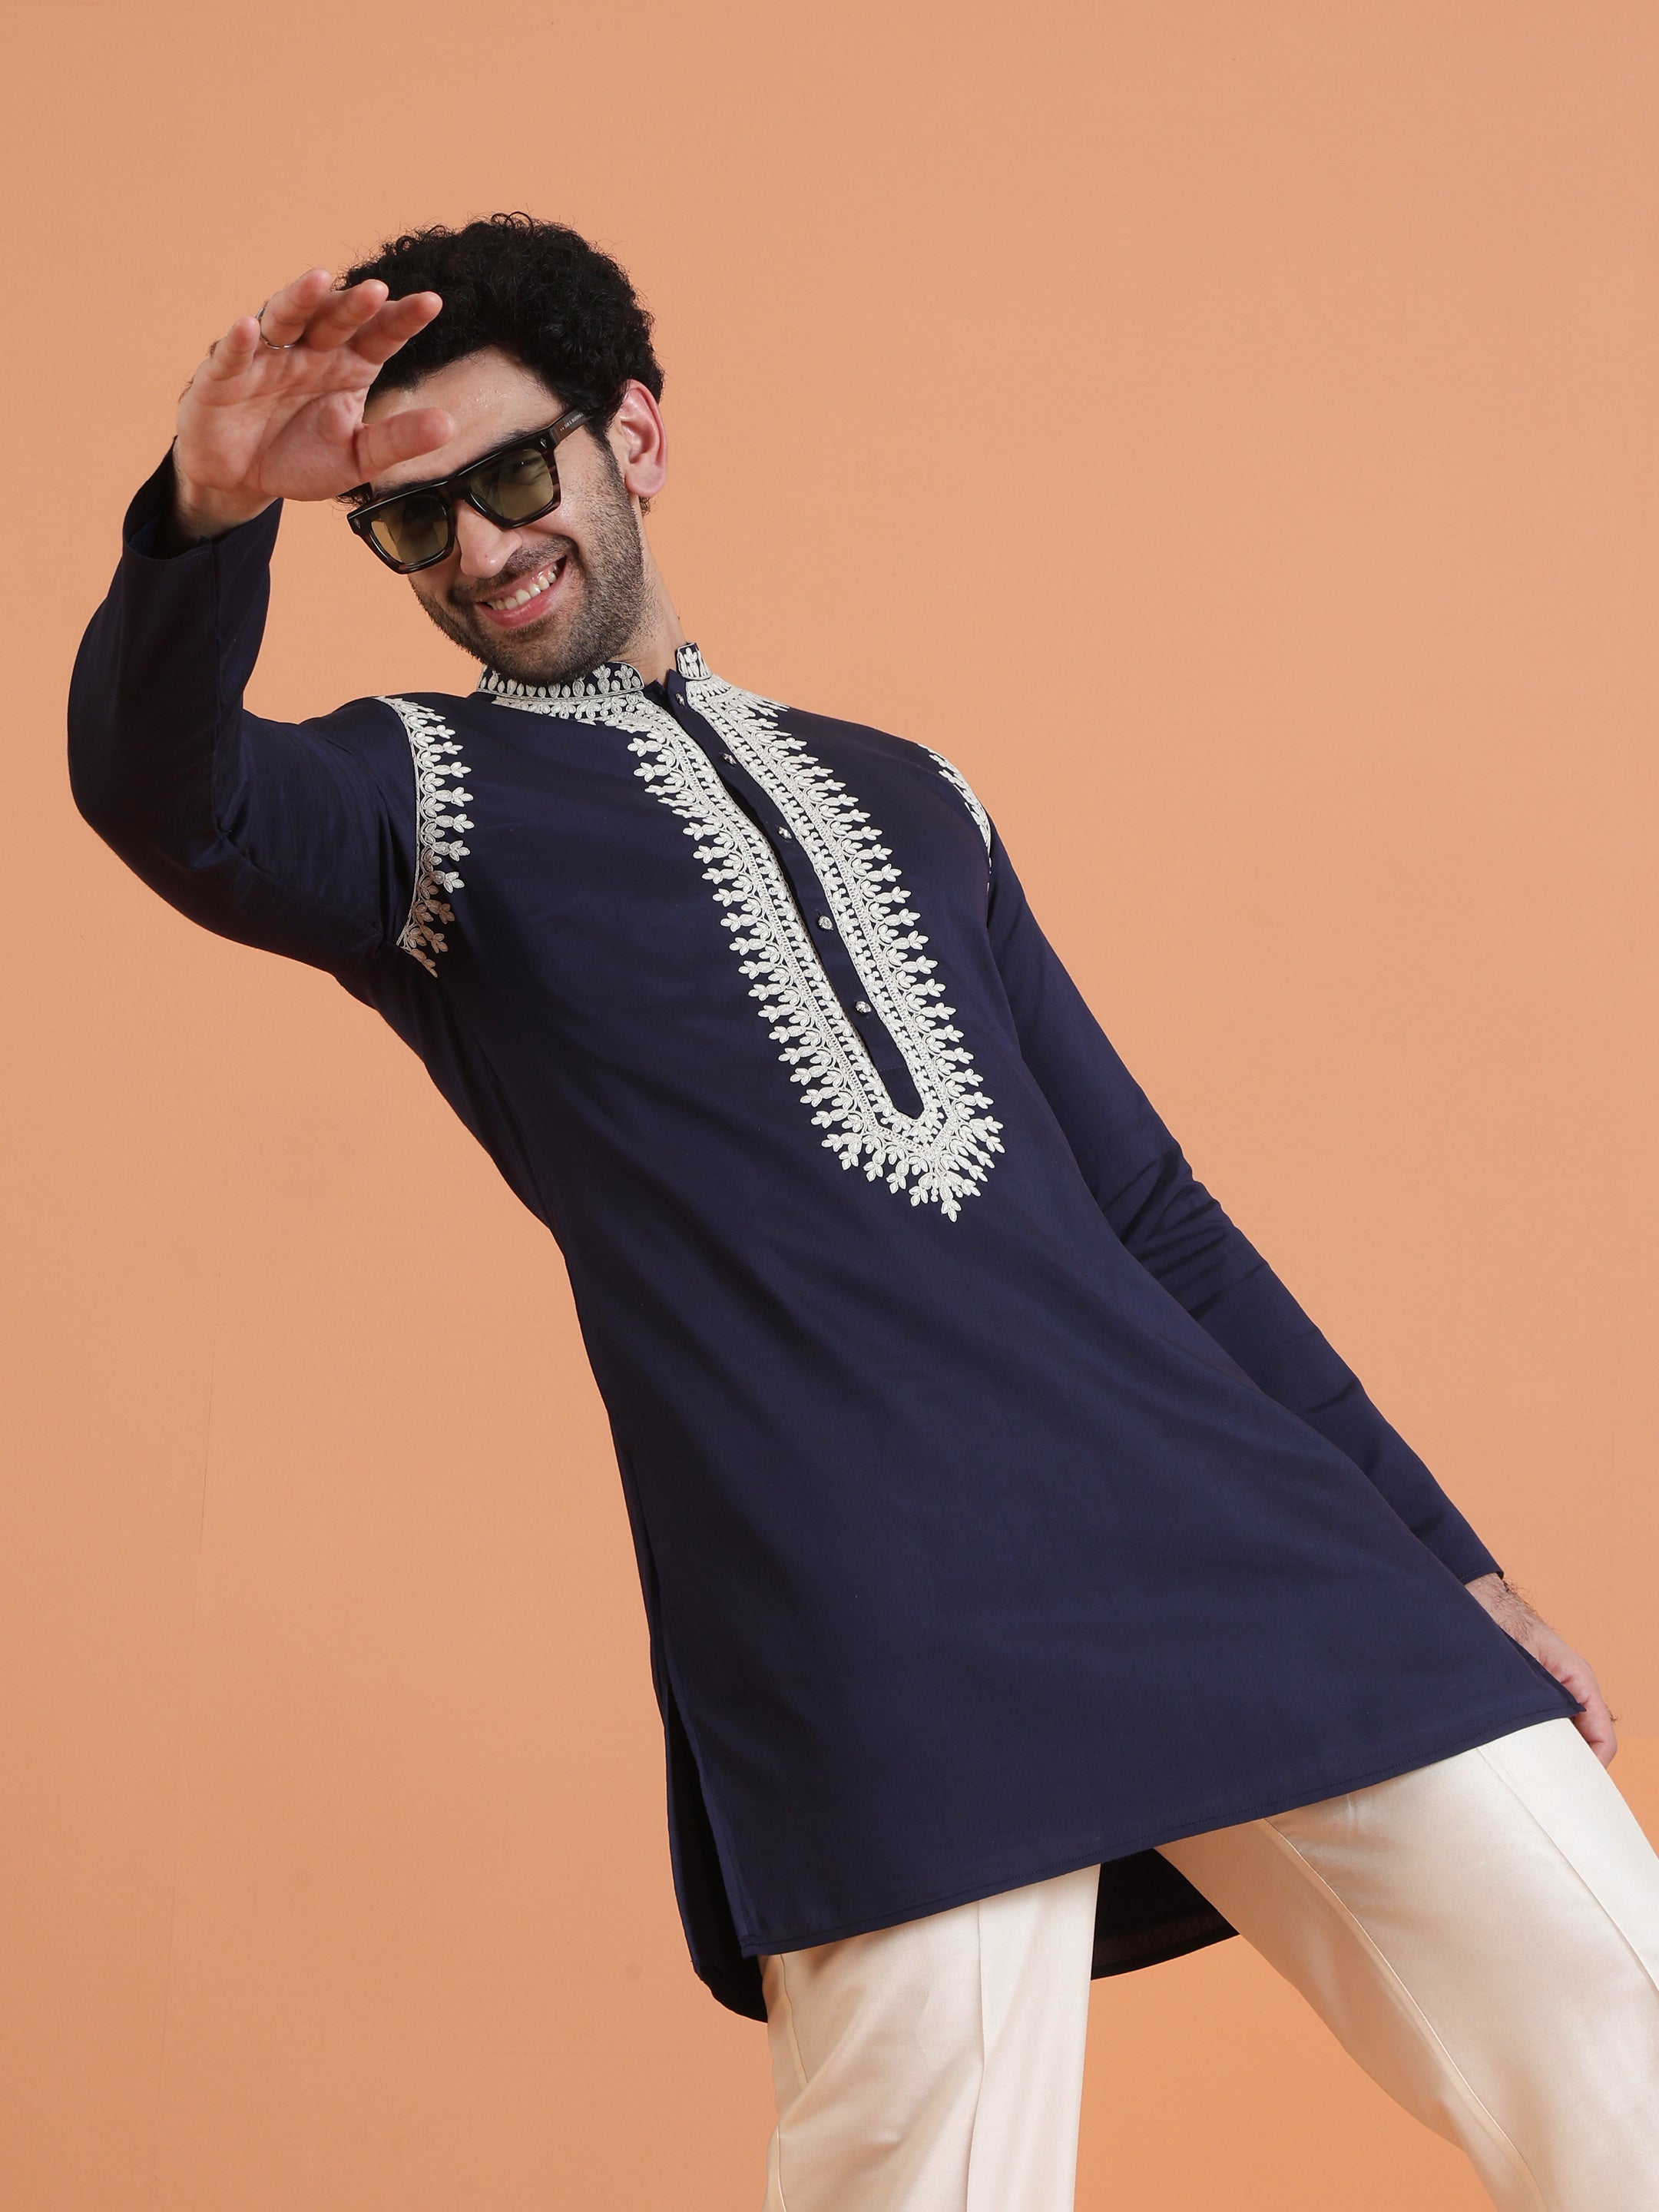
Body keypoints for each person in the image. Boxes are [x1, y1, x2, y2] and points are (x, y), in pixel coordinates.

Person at [68, 214, 1658, 2212]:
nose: (476, 551)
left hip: (1231, 1537)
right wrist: (207, 517)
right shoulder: (424, 802)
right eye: (411, 522)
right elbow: (175, 800)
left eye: (512, 474)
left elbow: (1152, 1215)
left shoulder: (914, 795)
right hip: (874, 1618)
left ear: (634, 436)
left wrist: (1451, 1561)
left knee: (1624, 2025)